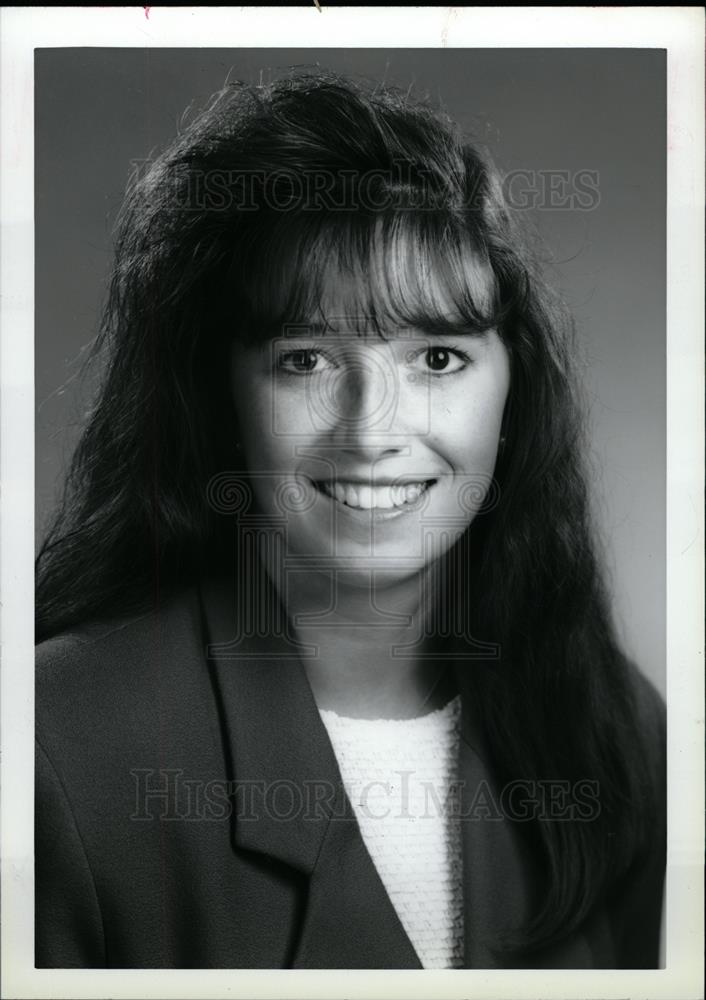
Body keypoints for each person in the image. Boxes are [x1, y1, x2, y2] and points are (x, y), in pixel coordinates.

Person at [35, 70, 666, 970]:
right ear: (222, 395)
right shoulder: (50, 748)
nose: (373, 432)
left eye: (438, 357)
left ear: (512, 390)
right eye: (307, 360)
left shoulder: (618, 729)